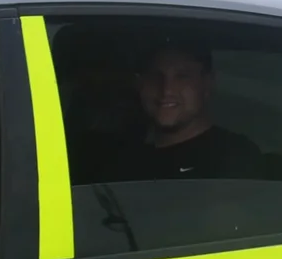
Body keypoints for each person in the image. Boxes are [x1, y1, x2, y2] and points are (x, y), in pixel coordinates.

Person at [106, 40, 262, 180]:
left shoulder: (233, 157)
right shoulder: (123, 159)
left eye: (182, 76)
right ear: (140, 85)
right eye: (155, 76)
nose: (166, 90)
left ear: (207, 83)